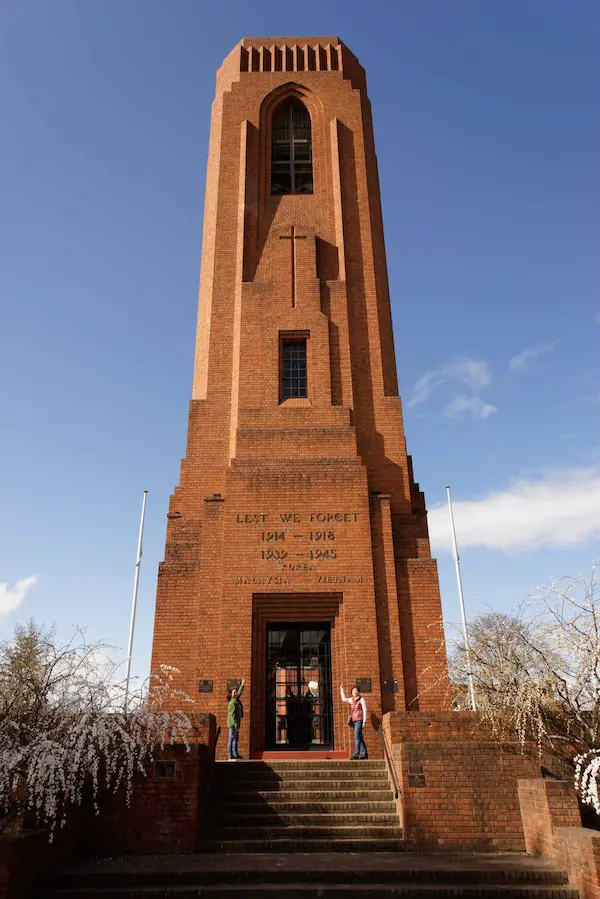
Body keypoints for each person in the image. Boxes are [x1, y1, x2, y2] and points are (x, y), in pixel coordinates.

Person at [340, 683, 368, 760]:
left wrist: (364, 721)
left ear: (358, 691)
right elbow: (344, 699)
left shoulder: (361, 699)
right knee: (359, 737)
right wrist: (342, 689)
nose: (354, 692)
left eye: (356, 690)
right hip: (354, 721)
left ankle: (356, 754)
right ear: (351, 692)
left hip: (359, 720)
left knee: (356, 737)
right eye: (353, 691)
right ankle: (365, 754)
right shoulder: (351, 700)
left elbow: (365, 710)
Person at [227, 677, 245, 761]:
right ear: (230, 694)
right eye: (234, 692)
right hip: (232, 724)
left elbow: (240, 692)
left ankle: (236, 754)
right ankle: (230, 756)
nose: (236, 693)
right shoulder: (232, 703)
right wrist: (235, 724)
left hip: (235, 724)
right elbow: (232, 715)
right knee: (231, 739)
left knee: (235, 739)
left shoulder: (236, 700)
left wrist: (242, 684)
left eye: (236, 692)